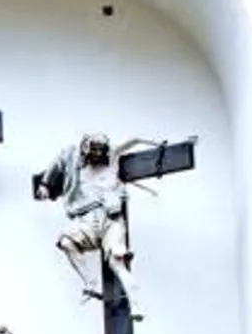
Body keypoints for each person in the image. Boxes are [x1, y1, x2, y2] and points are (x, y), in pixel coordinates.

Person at [34, 131, 167, 321]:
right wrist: (45, 184)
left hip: (110, 218)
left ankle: (137, 305)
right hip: (86, 219)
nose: (96, 154)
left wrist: (156, 143)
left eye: (100, 150)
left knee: (117, 263)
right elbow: (58, 161)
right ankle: (91, 283)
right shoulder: (74, 164)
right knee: (66, 242)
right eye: (93, 149)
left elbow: (134, 139)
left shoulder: (112, 157)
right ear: (85, 148)